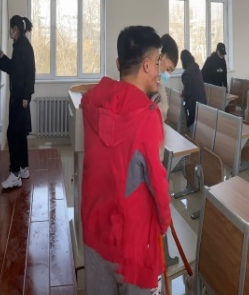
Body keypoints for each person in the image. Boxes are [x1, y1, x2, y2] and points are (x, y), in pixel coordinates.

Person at [81, 26, 170, 295]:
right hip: (133, 241)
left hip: (95, 230)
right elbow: (157, 181)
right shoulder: (147, 115)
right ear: (146, 65)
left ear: (119, 64)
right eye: (157, 63)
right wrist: (164, 223)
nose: (159, 71)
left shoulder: (92, 102)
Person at [0, 15, 36, 189]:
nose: (10, 32)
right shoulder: (20, 45)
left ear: (16, 29)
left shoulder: (22, 46)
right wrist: (2, 58)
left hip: (20, 98)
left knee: (12, 133)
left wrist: (26, 96)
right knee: (19, 133)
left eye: (11, 29)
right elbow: (15, 69)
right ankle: (23, 168)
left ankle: (15, 174)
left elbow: (29, 72)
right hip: (20, 96)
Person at [154, 34, 179, 122]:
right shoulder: (145, 81)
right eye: (168, 69)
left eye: (171, 71)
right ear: (160, 57)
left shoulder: (159, 84)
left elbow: (164, 110)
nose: (168, 74)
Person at [181, 49, 207, 128]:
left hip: (193, 105)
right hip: (202, 101)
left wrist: (182, 93)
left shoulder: (186, 74)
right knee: (200, 126)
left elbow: (187, 92)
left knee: (192, 126)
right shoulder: (196, 68)